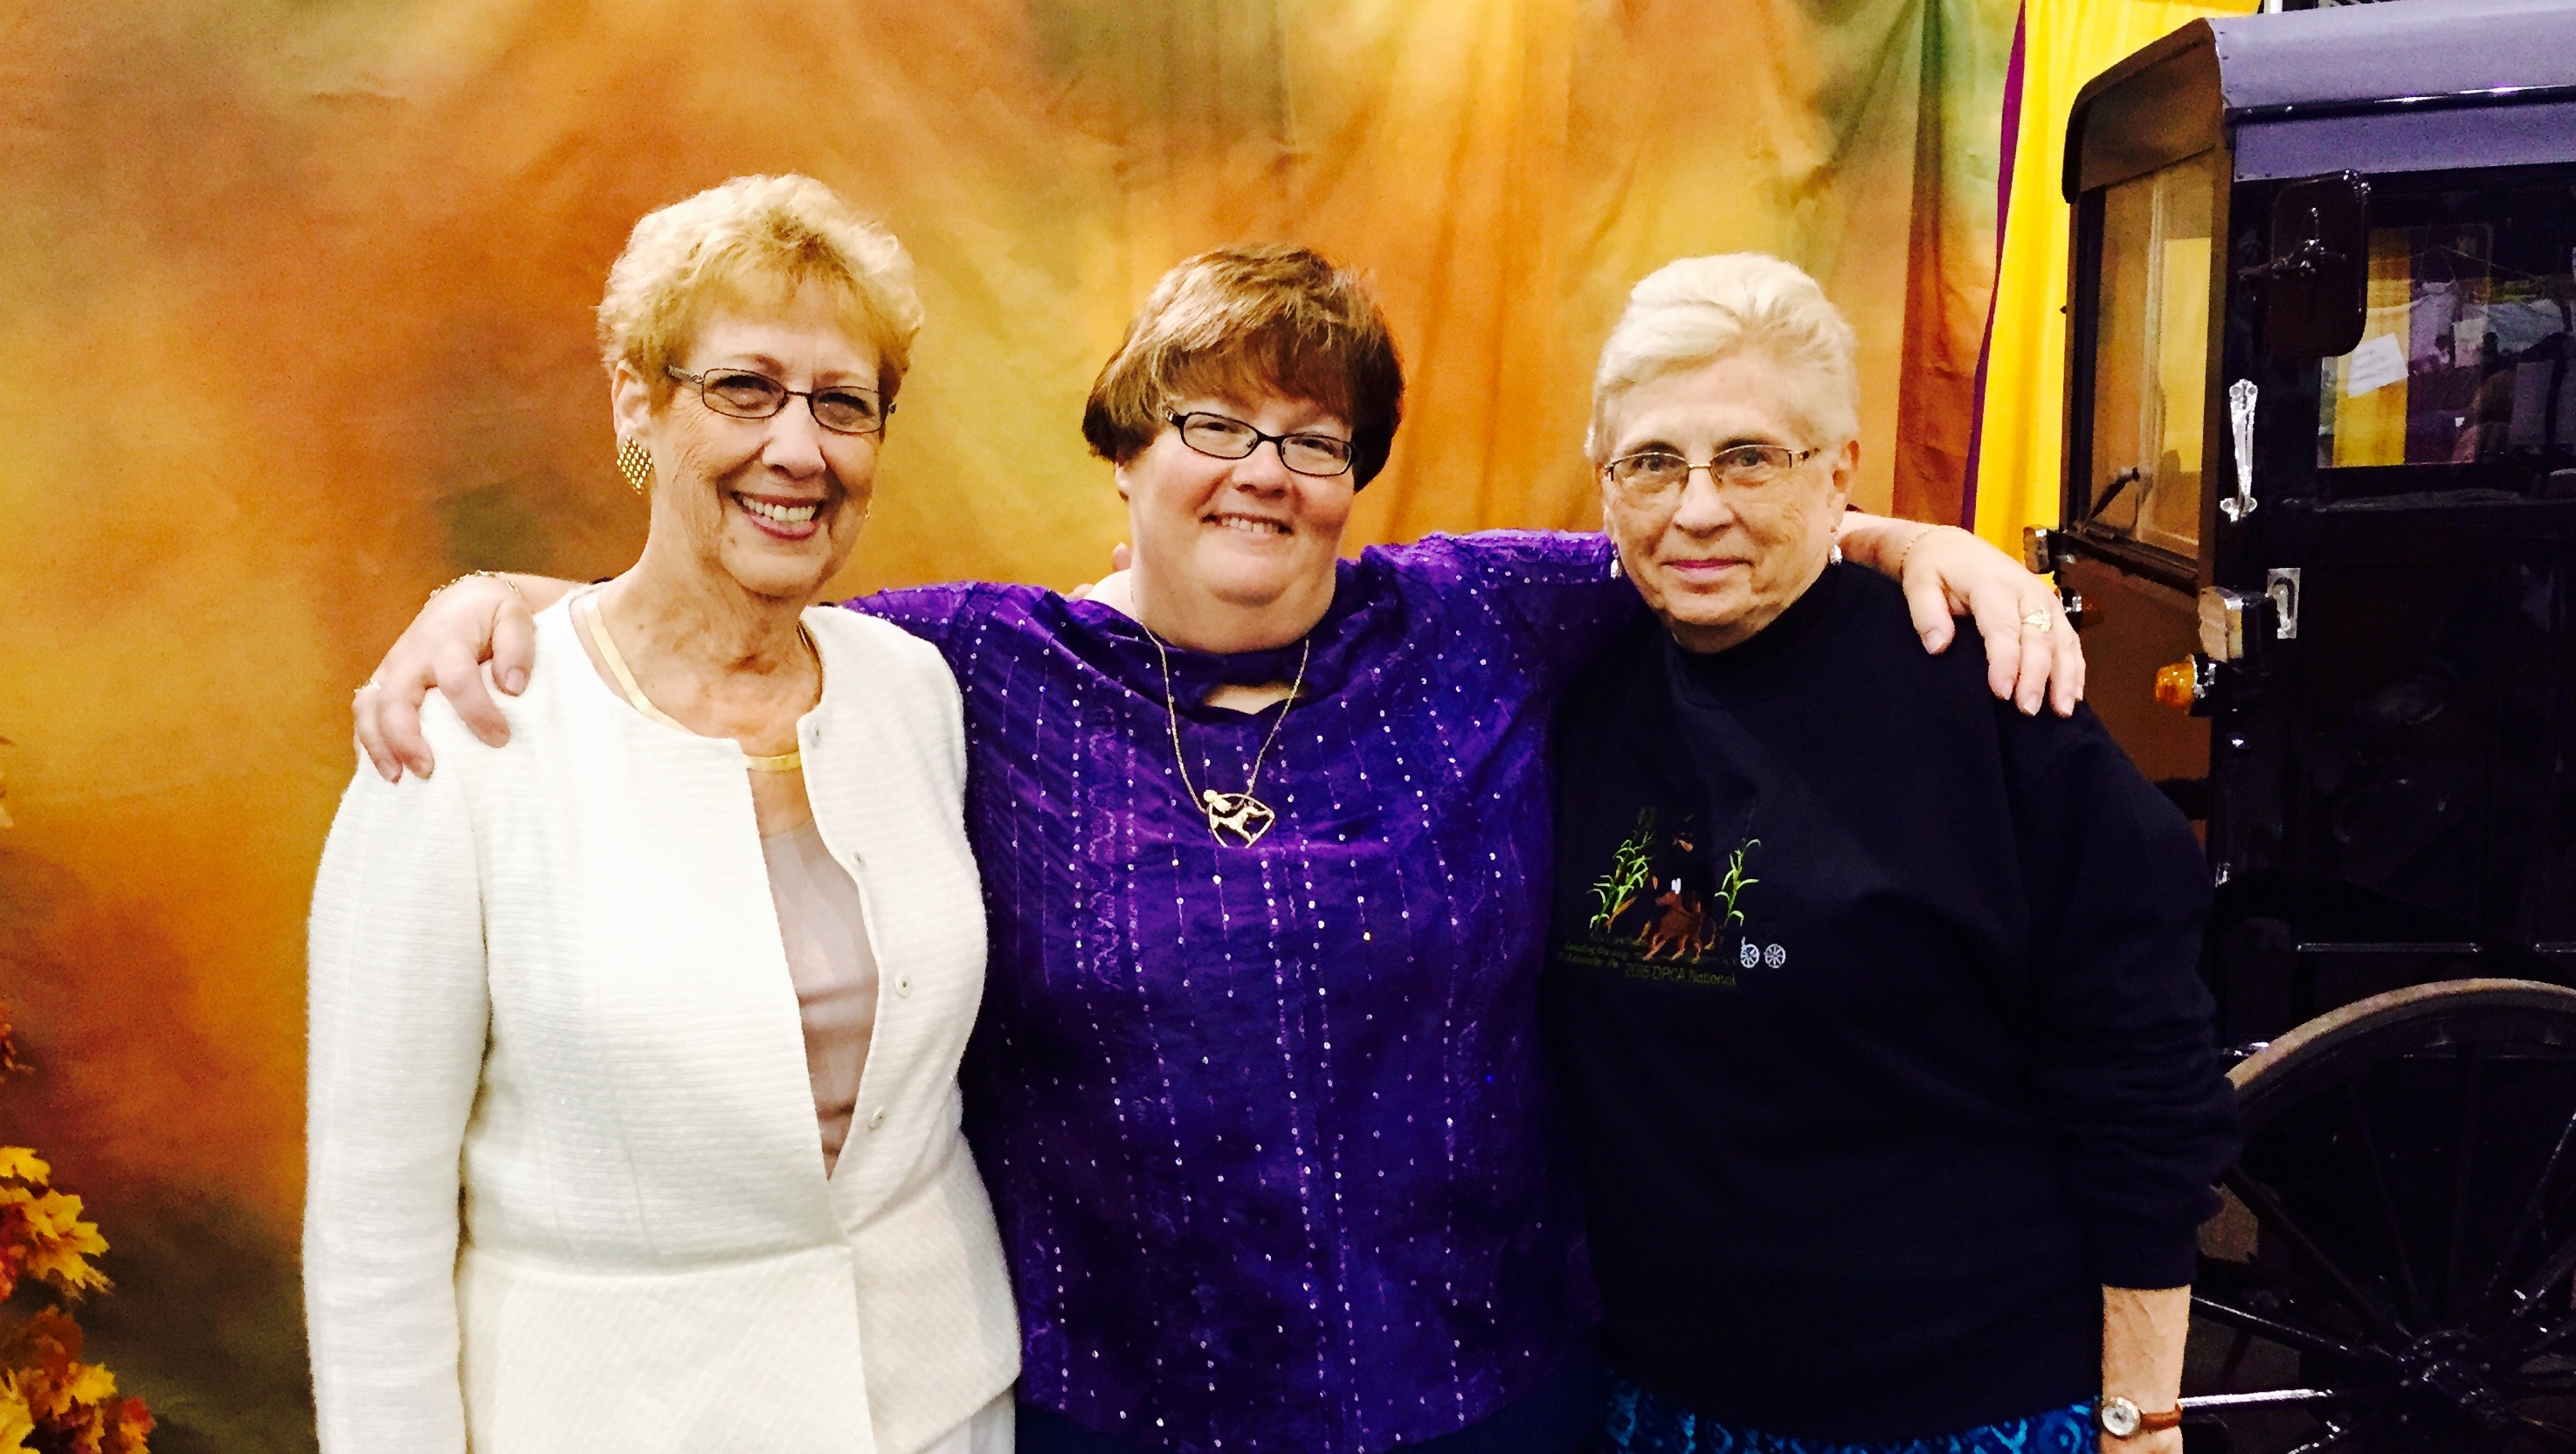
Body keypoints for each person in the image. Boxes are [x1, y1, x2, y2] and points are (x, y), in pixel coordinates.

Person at [352, 243, 2086, 1454]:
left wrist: (1906, 539)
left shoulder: (1479, 620)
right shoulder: (972, 666)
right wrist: (497, 598)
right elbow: (723, 625)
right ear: (1124, 452)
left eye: (1313, 440)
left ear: (1355, 478)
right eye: (1211, 424)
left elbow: (1704, 529)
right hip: (1121, 1405)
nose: (1264, 470)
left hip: (1489, 1394)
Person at [303, 175, 1019, 1454]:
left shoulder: (914, 690)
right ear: (637, 400)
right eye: (743, 389)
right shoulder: (464, 732)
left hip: (938, 1414)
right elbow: (372, 1224)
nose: (797, 449)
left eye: (843, 403)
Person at [1541, 254, 2238, 1454]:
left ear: (1838, 472)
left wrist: (2140, 1413)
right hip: (1654, 1402)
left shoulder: (1984, 696)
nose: (1695, 508)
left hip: (1968, 1406)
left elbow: (2143, 1077)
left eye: (1749, 458)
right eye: (1651, 462)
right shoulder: (1573, 681)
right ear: (1604, 481)